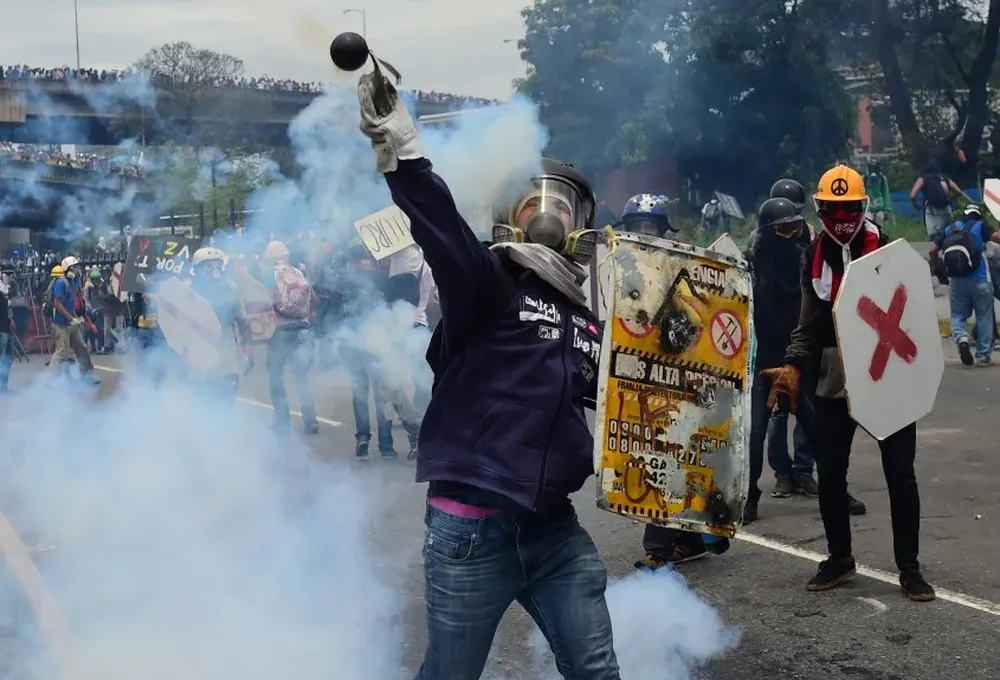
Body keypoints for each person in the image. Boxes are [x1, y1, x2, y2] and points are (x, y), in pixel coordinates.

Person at [357, 71, 621, 678]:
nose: (548, 215)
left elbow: (613, 394)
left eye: (561, 203)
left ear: (582, 219)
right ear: (509, 215)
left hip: (553, 525)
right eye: (533, 202)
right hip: (470, 533)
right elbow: (442, 230)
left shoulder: (586, 312)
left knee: (597, 669)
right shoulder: (487, 281)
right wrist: (406, 154)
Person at [763, 164, 935, 602]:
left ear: (863, 207)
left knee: (901, 475)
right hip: (835, 378)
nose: (841, 216)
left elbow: (912, 315)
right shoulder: (813, 256)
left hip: (887, 379)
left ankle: (910, 568)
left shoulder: (888, 252)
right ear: (820, 210)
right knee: (832, 475)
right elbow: (809, 320)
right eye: (832, 209)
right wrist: (792, 364)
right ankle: (840, 557)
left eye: (849, 207)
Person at [929, 203, 1000, 366]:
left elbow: (933, 250)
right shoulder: (981, 226)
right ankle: (983, 355)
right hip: (981, 279)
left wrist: (938, 269)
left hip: (956, 280)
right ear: (978, 214)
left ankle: (961, 337)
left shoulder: (950, 229)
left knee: (958, 315)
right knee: (984, 316)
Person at [261, 240, 319, 435]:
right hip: (302, 328)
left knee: (275, 376)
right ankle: (311, 421)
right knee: (302, 378)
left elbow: (263, 302)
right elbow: (314, 298)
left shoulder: (269, 275)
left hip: (280, 331)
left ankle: (282, 420)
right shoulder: (298, 272)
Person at [188, 246, 251, 402]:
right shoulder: (232, 289)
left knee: (206, 407)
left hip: (201, 363)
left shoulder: (190, 292)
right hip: (227, 361)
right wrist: (248, 352)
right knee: (226, 405)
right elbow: (244, 323)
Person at [47, 256, 100, 385]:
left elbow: (70, 303)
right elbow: (58, 304)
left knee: (82, 348)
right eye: (74, 267)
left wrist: (76, 317)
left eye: (77, 267)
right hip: (61, 324)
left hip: (71, 321)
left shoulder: (74, 281)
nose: (77, 270)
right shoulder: (61, 283)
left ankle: (87, 376)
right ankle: (48, 381)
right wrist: (71, 319)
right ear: (67, 269)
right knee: (61, 353)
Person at [910, 161, 962, 238]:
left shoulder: (923, 179)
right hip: (946, 208)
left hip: (931, 209)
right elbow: (958, 191)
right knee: (948, 234)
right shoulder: (944, 178)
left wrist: (917, 205)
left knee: (934, 236)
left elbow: (912, 196)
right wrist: (950, 199)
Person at [864, 161, 892, 228]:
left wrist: (887, 209)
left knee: (879, 228)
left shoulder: (882, 179)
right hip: (868, 208)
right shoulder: (864, 178)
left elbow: (886, 194)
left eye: (875, 168)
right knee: (868, 227)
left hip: (880, 208)